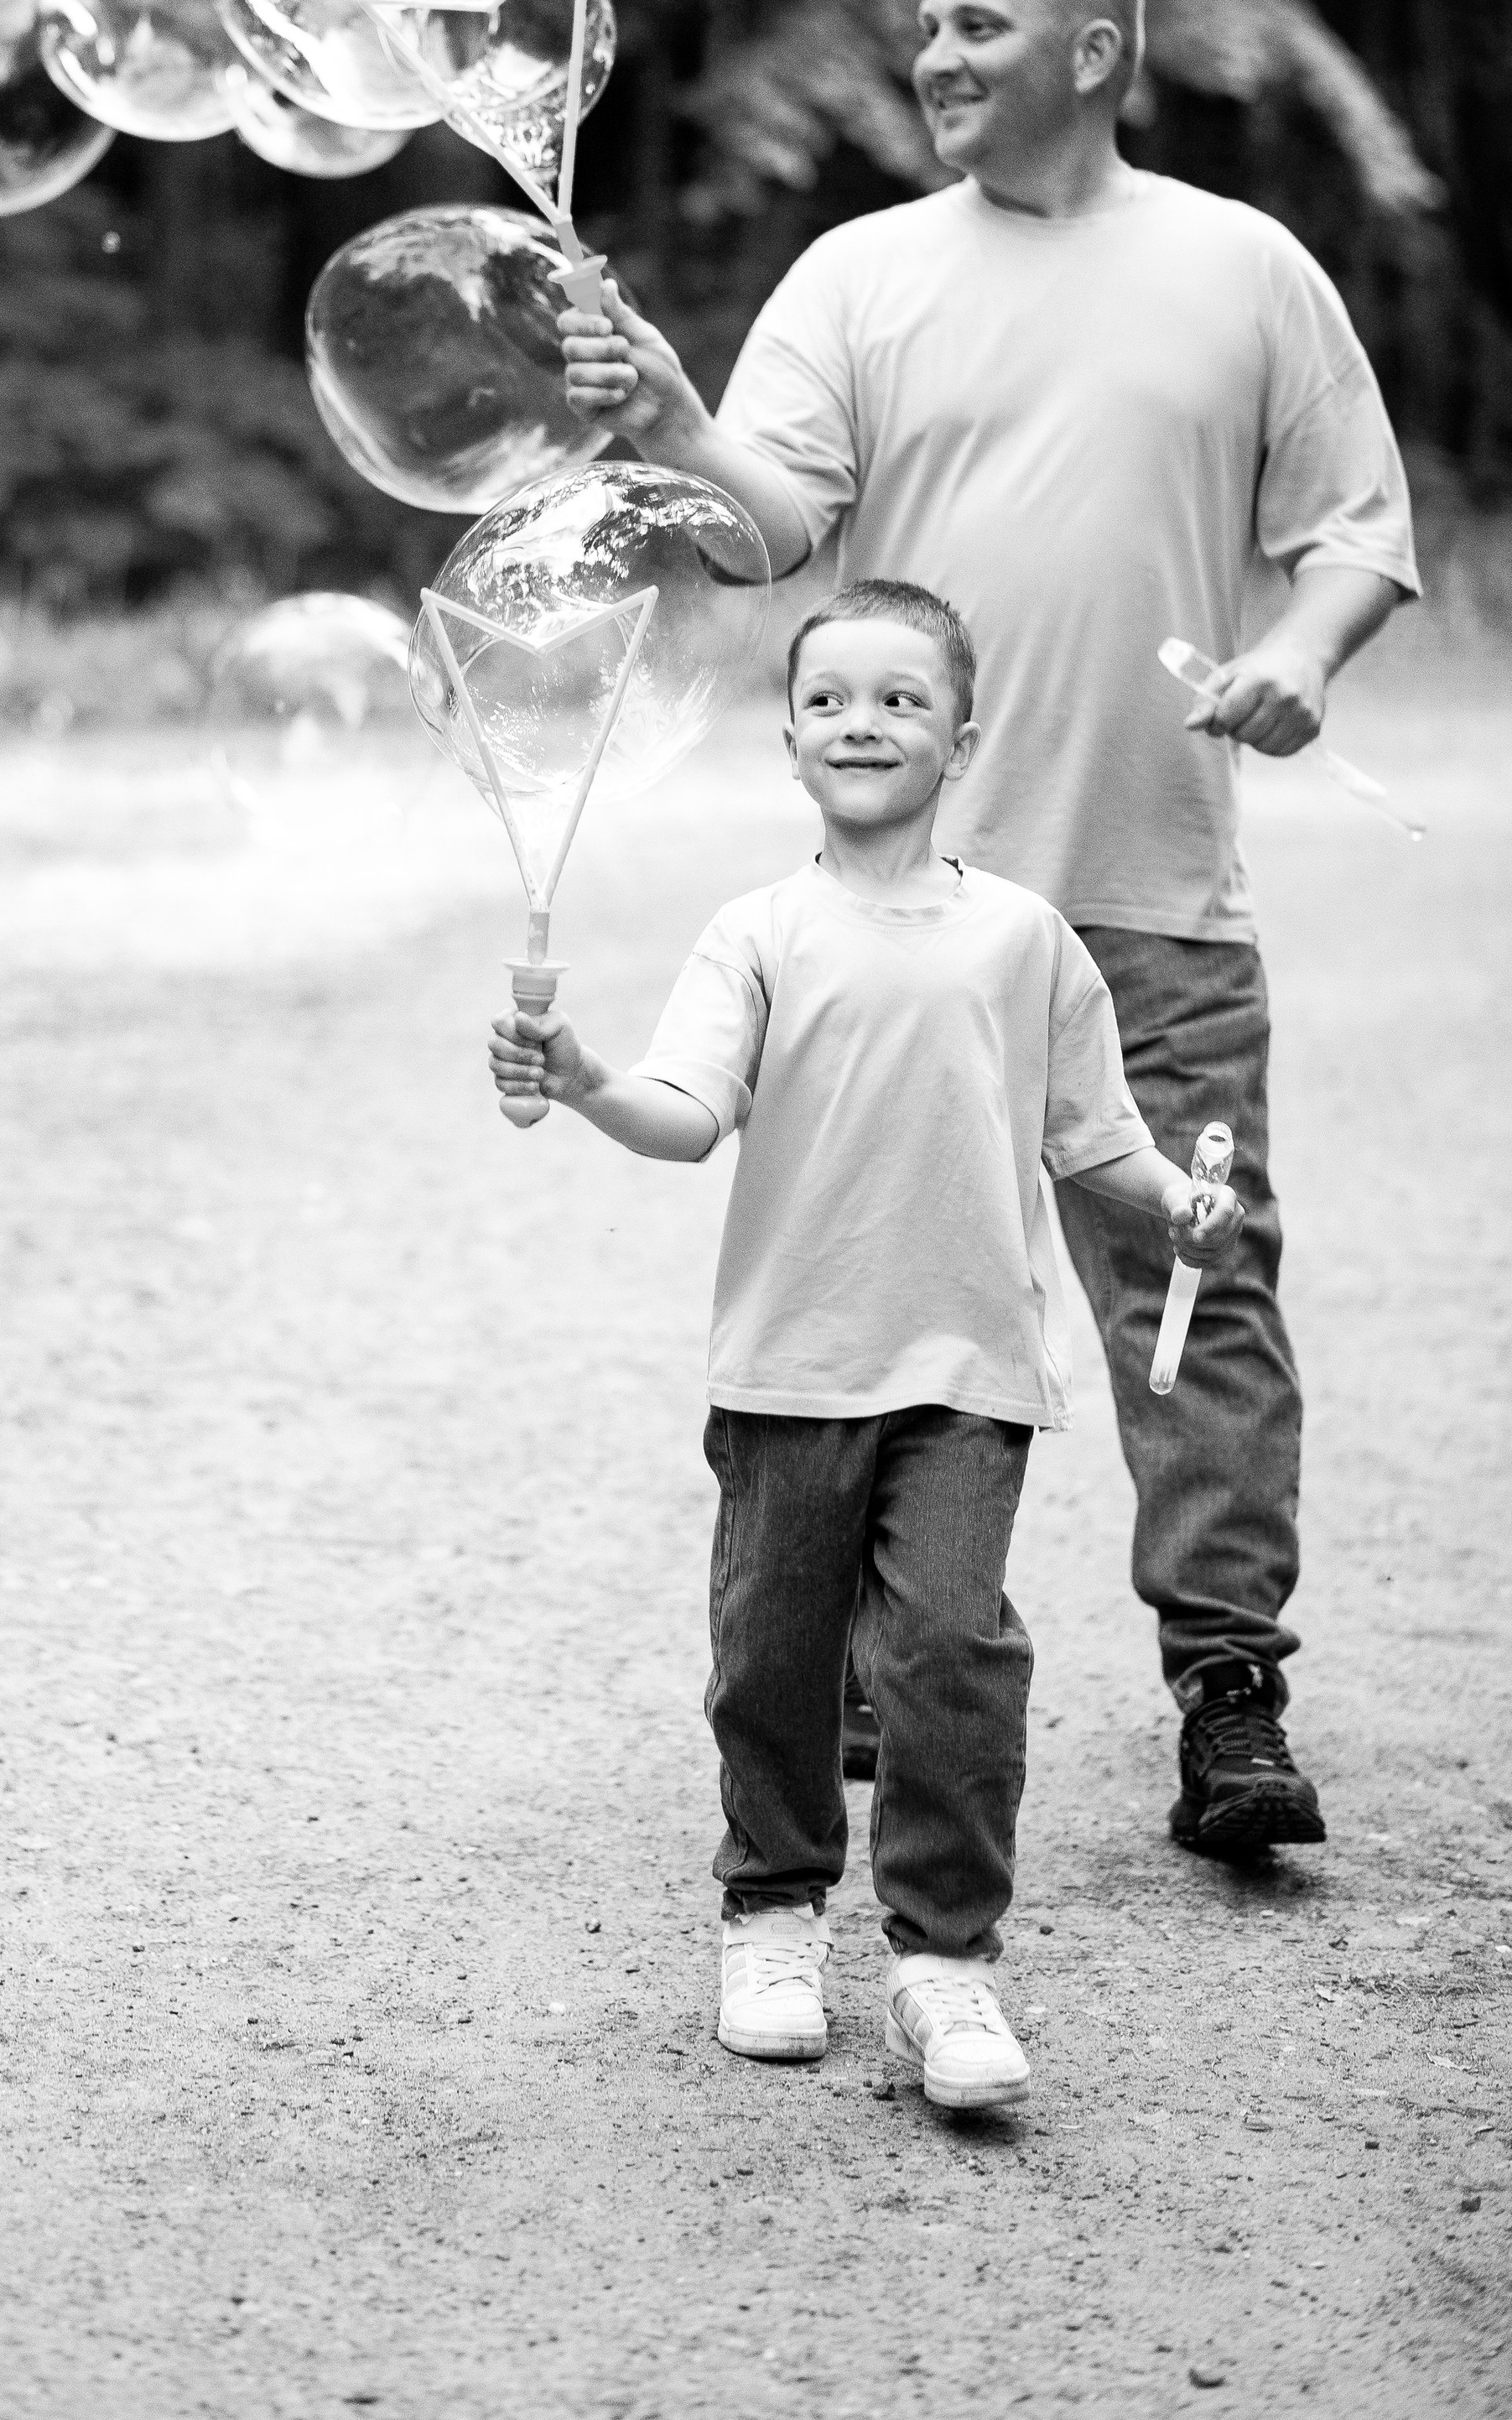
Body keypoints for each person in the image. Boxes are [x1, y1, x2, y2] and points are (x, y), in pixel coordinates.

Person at [559, 0, 1418, 1859]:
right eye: (923, 27)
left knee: (1195, 1273)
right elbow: (758, 529)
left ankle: (1226, 1692)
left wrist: (1298, 653)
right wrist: (666, 411)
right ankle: (872, 1643)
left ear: (1092, 50)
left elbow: (1352, 530)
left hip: (1153, 901)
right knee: (885, 1293)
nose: (930, 56)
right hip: (900, 915)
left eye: (972, 26)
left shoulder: (1243, 265)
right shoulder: (856, 274)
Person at [487, 580, 1243, 2107]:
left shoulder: (1026, 938)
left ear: (965, 735)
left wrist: (1182, 1201)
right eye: (832, 698)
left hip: (968, 1370)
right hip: (788, 1368)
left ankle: (944, 1963)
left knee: (954, 1650)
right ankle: (771, 1912)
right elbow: (684, 1117)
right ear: (788, 740)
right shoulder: (758, 931)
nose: (865, 721)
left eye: (902, 698)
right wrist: (580, 1077)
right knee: (771, 1655)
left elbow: (1094, 1133)